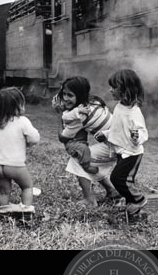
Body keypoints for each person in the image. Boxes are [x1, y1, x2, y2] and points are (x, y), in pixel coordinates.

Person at [53, 76, 119, 207]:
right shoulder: (93, 101)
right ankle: (112, 191)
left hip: (116, 146)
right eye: (64, 94)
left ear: (80, 95)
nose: (65, 98)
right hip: (118, 141)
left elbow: (63, 137)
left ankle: (89, 200)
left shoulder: (80, 116)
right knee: (89, 158)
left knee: (79, 159)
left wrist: (59, 115)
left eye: (70, 95)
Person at [95, 69, 149, 215]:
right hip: (122, 151)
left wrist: (137, 137)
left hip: (132, 153)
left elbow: (143, 133)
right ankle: (131, 202)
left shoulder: (134, 113)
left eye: (114, 87)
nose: (110, 90)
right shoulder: (119, 107)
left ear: (126, 90)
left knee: (118, 178)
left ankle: (138, 199)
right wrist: (106, 134)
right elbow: (117, 129)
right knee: (122, 178)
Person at [0, 87, 40, 214]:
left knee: (4, 191)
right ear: (18, 106)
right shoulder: (23, 121)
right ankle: (25, 213)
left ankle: (3, 213)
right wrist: (27, 143)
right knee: (27, 187)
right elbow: (34, 138)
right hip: (15, 165)